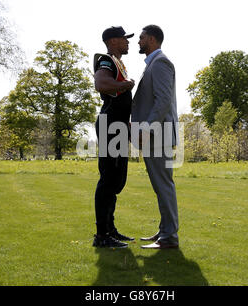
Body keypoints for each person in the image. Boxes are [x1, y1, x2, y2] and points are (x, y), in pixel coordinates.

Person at [132, 25, 180, 249]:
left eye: (141, 37)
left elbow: (162, 101)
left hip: (157, 136)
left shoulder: (160, 63)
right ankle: (164, 231)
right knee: (160, 186)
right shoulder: (152, 64)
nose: (138, 41)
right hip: (155, 136)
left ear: (151, 39)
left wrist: (147, 129)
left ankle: (169, 237)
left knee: (163, 185)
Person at [92, 26, 136, 249]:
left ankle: (110, 229)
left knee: (117, 180)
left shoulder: (119, 63)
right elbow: (100, 84)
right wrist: (125, 85)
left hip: (117, 126)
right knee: (108, 179)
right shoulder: (107, 60)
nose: (127, 42)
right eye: (124, 39)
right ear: (112, 41)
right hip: (110, 125)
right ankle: (101, 236)